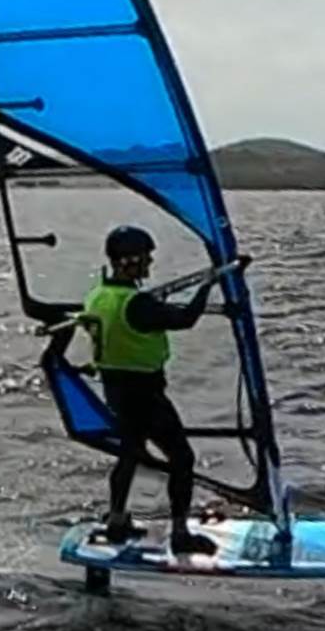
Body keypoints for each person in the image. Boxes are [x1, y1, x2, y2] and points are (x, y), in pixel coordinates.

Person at [26, 224, 220, 558]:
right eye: (145, 256)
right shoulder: (137, 304)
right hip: (145, 394)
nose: (150, 262)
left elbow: (131, 317)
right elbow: (186, 318)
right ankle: (180, 534)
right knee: (182, 458)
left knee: (129, 454)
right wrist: (209, 284)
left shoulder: (98, 295)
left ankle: (117, 520)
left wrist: (157, 302)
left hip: (116, 390)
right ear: (128, 260)